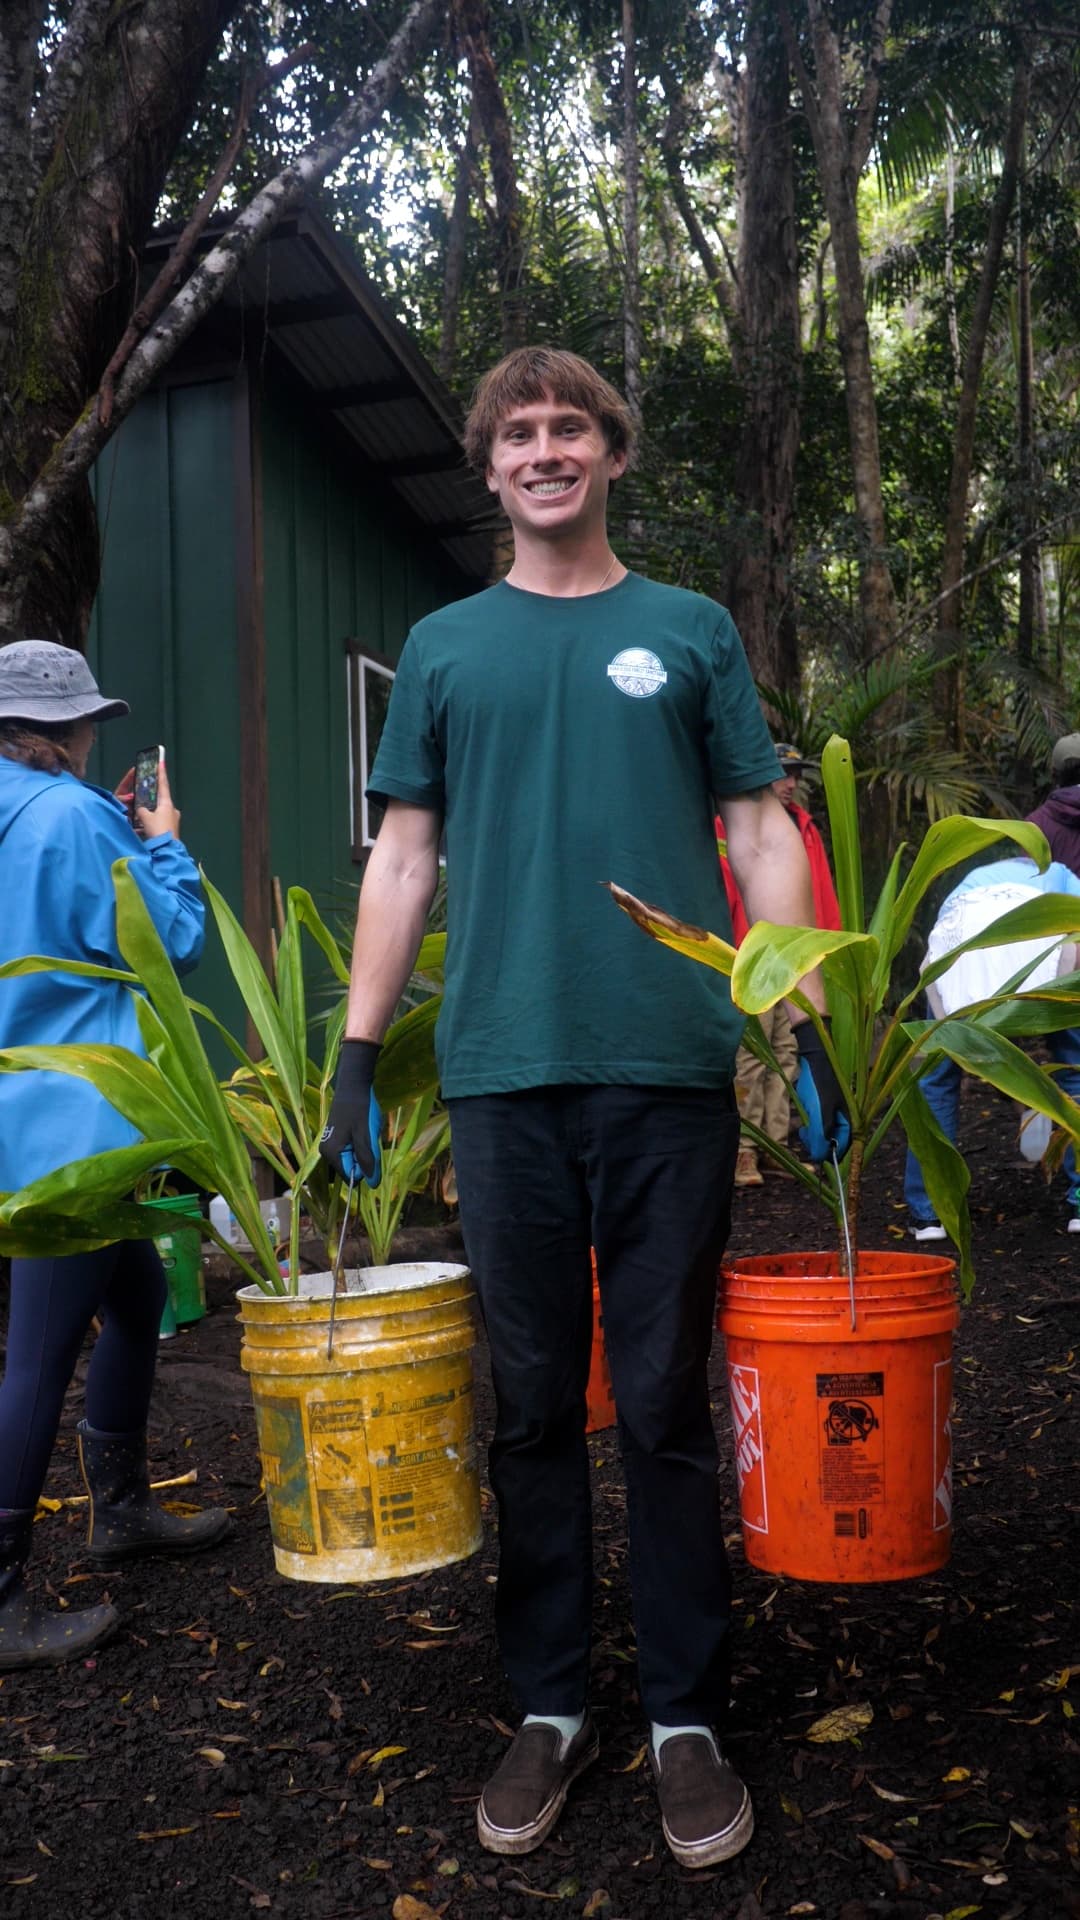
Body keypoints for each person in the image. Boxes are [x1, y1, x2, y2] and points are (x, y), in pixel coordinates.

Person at [320, 348, 845, 1870]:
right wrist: (359, 1056)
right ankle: (548, 1704)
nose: (545, 452)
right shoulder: (444, 646)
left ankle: (685, 1715)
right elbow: (404, 859)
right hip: (499, 1071)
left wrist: (801, 1027)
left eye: (571, 430)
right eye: (519, 435)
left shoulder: (686, 631)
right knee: (540, 1406)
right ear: (488, 470)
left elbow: (755, 826)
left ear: (611, 455)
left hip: (670, 1064)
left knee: (668, 1404)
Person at [0, 639, 232, 1671]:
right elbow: (172, 940)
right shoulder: (75, 814)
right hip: (78, 1123)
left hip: (17, 1108)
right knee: (38, 1356)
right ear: (70, 727)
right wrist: (169, 841)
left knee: (133, 1300)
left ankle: (122, 1507)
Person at [904, 848, 1080, 1241]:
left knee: (936, 1080)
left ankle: (929, 1214)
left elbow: (941, 936)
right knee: (1075, 1071)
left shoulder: (970, 883)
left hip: (959, 951)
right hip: (1043, 941)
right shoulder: (1063, 876)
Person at [719, 742, 842, 1186]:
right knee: (752, 1055)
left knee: (787, 1054)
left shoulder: (805, 828)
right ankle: (744, 1151)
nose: (790, 783)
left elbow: (819, 894)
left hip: (798, 959)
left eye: (795, 775)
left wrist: (826, 948)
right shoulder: (731, 827)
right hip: (752, 957)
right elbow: (733, 894)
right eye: (782, 774)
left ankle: (776, 1143)